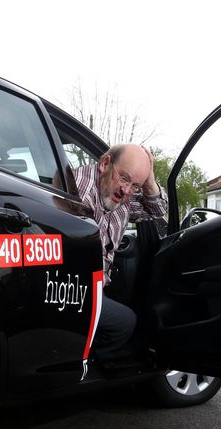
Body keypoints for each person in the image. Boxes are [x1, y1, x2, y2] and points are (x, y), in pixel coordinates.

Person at [72, 143, 167, 362]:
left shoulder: (123, 198)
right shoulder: (80, 187)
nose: (126, 191)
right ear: (105, 163)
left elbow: (158, 210)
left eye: (135, 186)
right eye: (123, 178)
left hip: (95, 286)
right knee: (125, 322)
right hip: (75, 290)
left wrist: (148, 181)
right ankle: (86, 365)